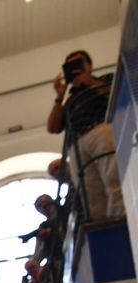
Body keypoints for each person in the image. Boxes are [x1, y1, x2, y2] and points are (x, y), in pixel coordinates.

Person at [47, 50, 122, 220]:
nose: (74, 68)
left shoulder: (105, 80)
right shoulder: (69, 100)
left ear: (89, 65)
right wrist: (59, 97)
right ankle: (102, 226)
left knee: (113, 178)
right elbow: (52, 127)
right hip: (76, 145)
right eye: (69, 65)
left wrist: (88, 81)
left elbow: (115, 95)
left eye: (78, 62)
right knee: (89, 194)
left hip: (101, 129)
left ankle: (122, 220)